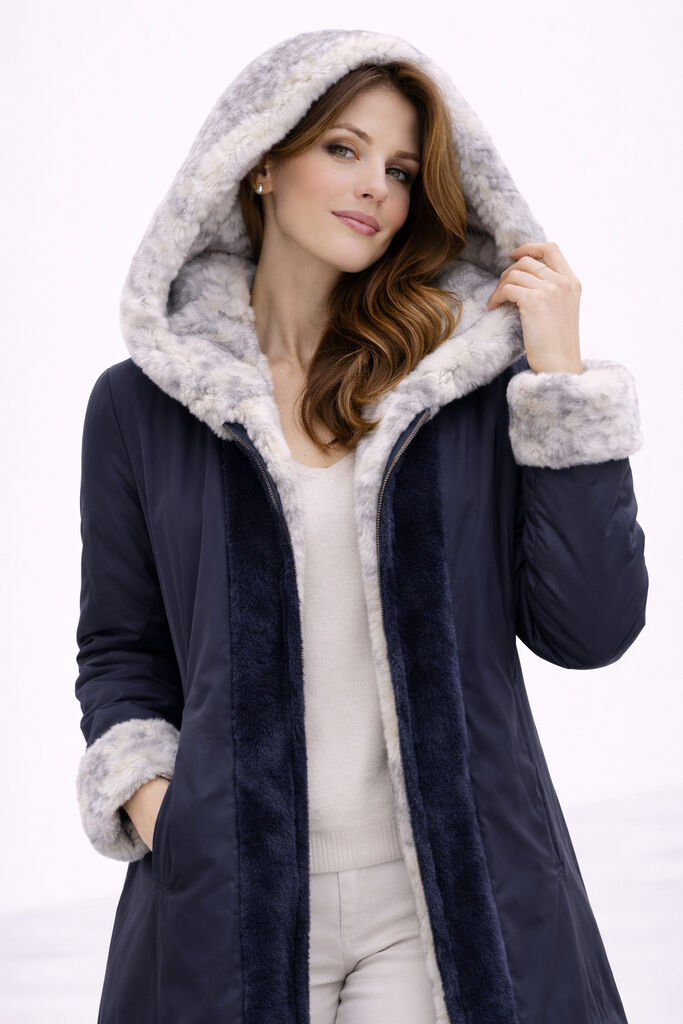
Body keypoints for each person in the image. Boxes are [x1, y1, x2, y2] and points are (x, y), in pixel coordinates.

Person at [74, 27, 648, 1024]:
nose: (374, 186)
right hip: (236, 899)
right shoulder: (141, 405)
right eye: (343, 148)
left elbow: (589, 627)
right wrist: (163, 810)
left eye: (399, 169)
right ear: (260, 160)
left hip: (434, 904)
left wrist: (558, 376)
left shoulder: (455, 393)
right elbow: (121, 649)